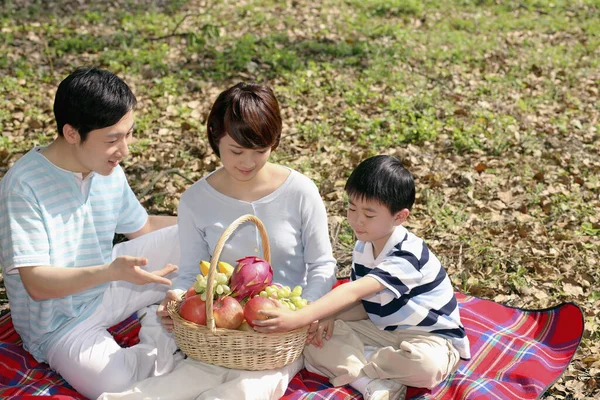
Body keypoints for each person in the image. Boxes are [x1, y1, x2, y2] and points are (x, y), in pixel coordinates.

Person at [99, 82, 337, 400]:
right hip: (219, 335)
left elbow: (322, 265)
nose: (248, 163)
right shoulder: (197, 199)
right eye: (236, 151)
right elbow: (189, 274)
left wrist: (303, 314)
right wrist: (178, 301)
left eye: (260, 151)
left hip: (278, 341)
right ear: (215, 137)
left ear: (274, 143)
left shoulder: (300, 192)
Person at [0, 67, 181, 399]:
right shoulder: (23, 187)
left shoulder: (107, 169)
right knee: (114, 386)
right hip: (59, 324)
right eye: (112, 139)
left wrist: (206, 216)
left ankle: (165, 328)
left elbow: (144, 228)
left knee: (193, 234)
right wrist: (110, 272)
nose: (124, 150)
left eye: (128, 134)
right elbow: (37, 284)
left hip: (110, 283)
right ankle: (161, 332)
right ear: (71, 133)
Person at [254, 155, 471, 400]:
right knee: (314, 335)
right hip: (380, 328)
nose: (356, 220)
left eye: (369, 215)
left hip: (428, 336)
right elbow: (365, 306)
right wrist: (328, 316)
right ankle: (373, 381)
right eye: (352, 208)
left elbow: (352, 292)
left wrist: (298, 317)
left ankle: (360, 371)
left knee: (426, 366)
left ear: (399, 217)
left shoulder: (409, 256)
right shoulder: (364, 246)